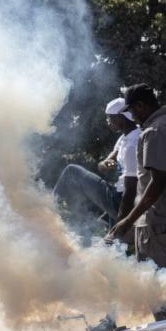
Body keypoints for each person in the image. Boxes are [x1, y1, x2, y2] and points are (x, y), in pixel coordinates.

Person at [106, 83, 166, 322]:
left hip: (157, 217)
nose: (132, 117)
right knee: (152, 281)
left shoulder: (155, 131)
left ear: (142, 106)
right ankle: (156, 329)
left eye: (133, 111)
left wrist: (128, 219)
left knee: (152, 284)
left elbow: (157, 183)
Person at [53, 97, 140, 240]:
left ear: (121, 118)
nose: (108, 122)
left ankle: (49, 205)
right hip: (119, 196)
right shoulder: (124, 138)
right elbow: (105, 164)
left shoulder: (134, 142)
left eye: (110, 118)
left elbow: (132, 187)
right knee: (112, 249)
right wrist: (108, 164)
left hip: (122, 201)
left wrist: (123, 219)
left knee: (72, 170)